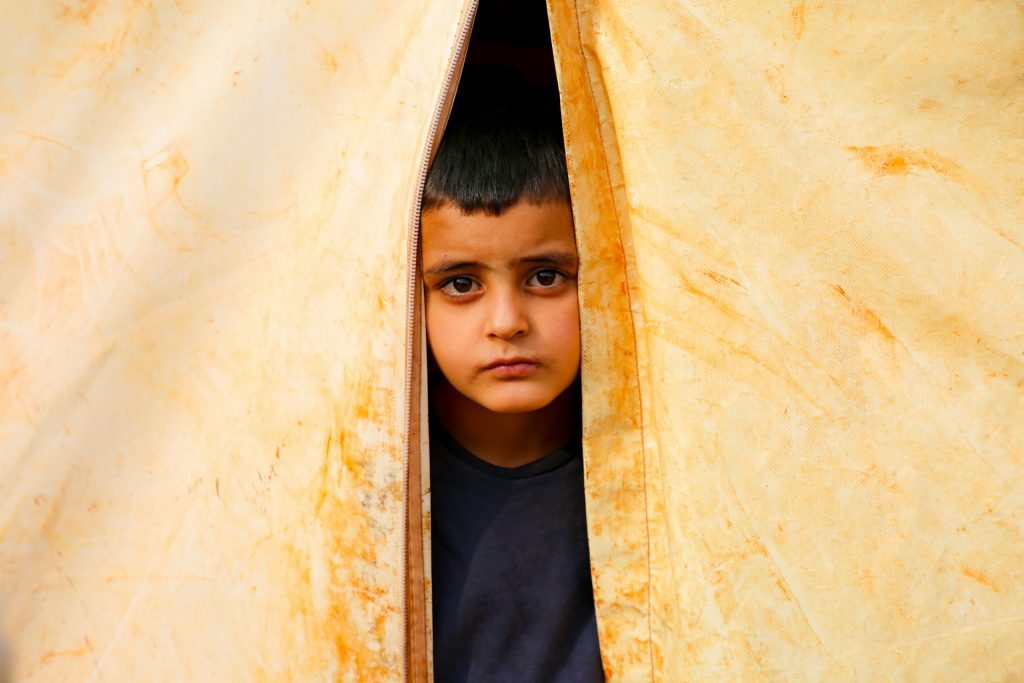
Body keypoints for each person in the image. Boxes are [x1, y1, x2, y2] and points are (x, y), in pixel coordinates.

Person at [420, 97, 605, 682]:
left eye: (546, 277)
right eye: (460, 284)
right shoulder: (371, 477)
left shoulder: (652, 466)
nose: (507, 321)